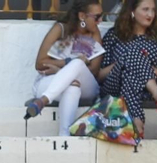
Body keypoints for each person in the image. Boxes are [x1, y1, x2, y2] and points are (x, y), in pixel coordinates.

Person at [25, 0, 107, 138]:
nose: (100, 20)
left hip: (87, 86)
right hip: (49, 82)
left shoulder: (94, 33)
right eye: (97, 17)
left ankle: (43, 101)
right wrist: (67, 63)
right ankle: (64, 136)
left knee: (78, 64)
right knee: (72, 86)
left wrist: (61, 69)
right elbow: (40, 64)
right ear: (82, 16)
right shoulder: (61, 29)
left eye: (101, 15)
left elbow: (92, 71)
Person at [99, 0, 157, 140]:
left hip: (144, 93)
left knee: (130, 76)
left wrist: (147, 68)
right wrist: (124, 61)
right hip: (114, 89)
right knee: (132, 53)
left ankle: (137, 121)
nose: (150, 14)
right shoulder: (114, 36)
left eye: (153, 10)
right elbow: (100, 75)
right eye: (145, 9)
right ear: (132, 11)